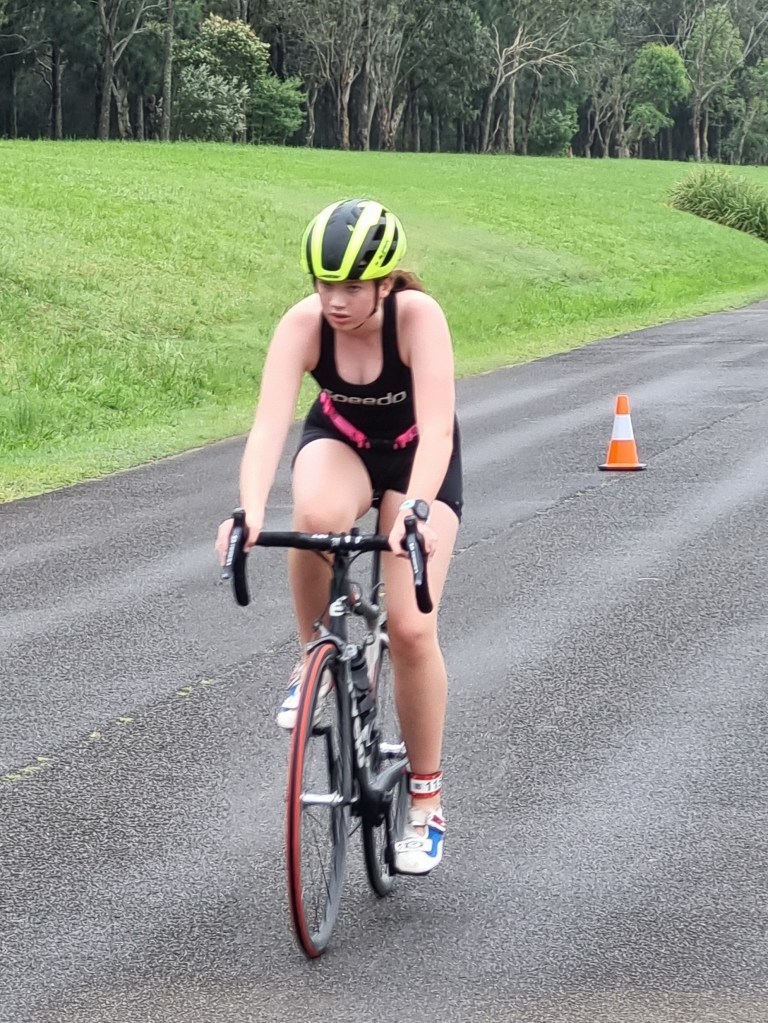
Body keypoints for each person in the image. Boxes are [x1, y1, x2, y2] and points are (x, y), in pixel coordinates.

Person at [216, 198, 463, 875]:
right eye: (325, 283)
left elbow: (438, 431)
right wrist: (248, 510)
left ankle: (426, 801)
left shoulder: (419, 317)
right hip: (344, 442)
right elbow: (268, 426)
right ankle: (313, 655)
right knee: (315, 520)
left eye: (353, 286)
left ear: (386, 282)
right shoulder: (304, 324)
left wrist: (414, 511)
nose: (336, 300)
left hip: (417, 461)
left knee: (410, 628)